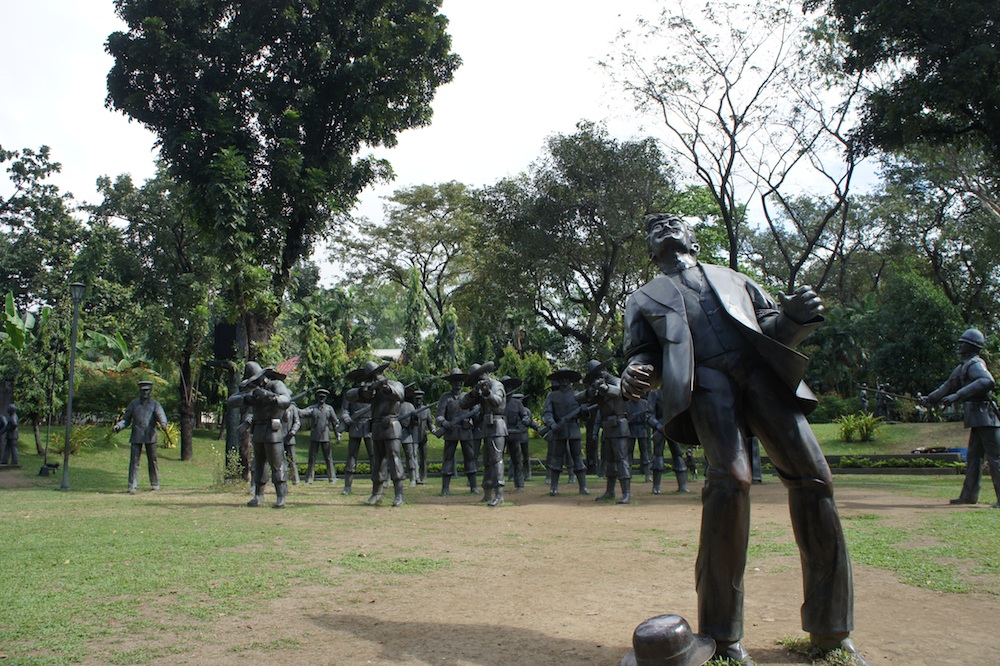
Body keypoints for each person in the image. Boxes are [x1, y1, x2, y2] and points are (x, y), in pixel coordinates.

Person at [621, 213, 866, 665]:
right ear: (650, 250)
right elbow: (645, 355)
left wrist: (793, 319)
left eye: (673, 223)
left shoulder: (735, 278)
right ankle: (722, 636)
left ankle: (831, 630)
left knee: (815, 480)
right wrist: (637, 373)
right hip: (707, 385)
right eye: (654, 228)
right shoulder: (641, 299)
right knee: (730, 484)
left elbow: (772, 328)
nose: (664, 228)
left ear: (690, 236)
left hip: (762, 378)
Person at [921, 328, 1000, 507]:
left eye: (962, 342)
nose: (959, 345)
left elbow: (987, 381)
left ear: (971, 346)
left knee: (995, 457)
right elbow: (948, 386)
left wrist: (958, 395)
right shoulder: (963, 367)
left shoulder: (975, 364)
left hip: (986, 415)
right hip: (977, 417)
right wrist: (930, 399)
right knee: (974, 457)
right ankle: (969, 496)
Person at [227, 363, 292, 508]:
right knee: (259, 465)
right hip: (258, 430)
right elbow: (231, 401)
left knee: (277, 464)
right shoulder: (252, 390)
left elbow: (286, 400)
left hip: (273, 430)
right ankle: (258, 495)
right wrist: (247, 398)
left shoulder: (276, 385)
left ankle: (280, 496)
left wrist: (271, 397)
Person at [346, 361, 406, 506]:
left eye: (375, 375)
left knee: (394, 457)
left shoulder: (394, 384)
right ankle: (376, 493)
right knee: (378, 461)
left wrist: (384, 386)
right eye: (371, 377)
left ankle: (399, 494)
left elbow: (400, 395)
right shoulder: (372, 391)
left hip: (391, 425)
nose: (374, 378)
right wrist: (362, 391)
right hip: (377, 427)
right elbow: (349, 395)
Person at [576, 360, 632, 504]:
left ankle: (626, 493)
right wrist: (590, 391)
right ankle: (610, 491)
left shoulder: (617, 381)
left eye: (597, 374)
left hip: (619, 425)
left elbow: (620, 392)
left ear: (603, 371)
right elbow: (578, 397)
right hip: (607, 427)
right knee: (610, 461)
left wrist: (605, 388)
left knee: (621, 460)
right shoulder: (598, 388)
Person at [460, 362, 507, 506]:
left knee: (496, 460)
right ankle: (487, 492)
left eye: (480, 378)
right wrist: (474, 393)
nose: (479, 381)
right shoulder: (480, 389)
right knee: (487, 461)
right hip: (486, 428)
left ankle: (499, 494)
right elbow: (463, 404)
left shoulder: (496, 385)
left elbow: (498, 402)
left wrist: (488, 393)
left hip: (497, 426)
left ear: (486, 374)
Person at [541, 368, 590, 496]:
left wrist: (584, 411)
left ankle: (583, 487)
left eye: (566, 379)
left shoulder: (577, 395)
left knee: (578, 458)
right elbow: (547, 412)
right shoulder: (552, 396)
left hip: (573, 429)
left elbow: (585, 417)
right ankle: (554, 487)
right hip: (559, 430)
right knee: (556, 459)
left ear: (570, 381)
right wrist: (551, 423)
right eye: (561, 379)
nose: (564, 382)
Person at [114, 381, 168, 494]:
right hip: (136, 436)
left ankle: (155, 483)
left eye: (147, 390)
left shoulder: (155, 404)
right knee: (134, 461)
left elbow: (161, 415)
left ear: (150, 391)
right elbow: (126, 420)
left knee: (153, 461)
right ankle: (132, 485)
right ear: (140, 390)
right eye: (143, 390)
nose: (145, 392)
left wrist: (163, 423)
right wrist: (119, 426)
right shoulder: (134, 404)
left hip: (150, 436)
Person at [436, 368, 479, 496]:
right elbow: (439, 416)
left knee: (470, 458)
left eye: (460, 381)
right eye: (455, 381)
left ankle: (474, 487)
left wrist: (471, 422)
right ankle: (445, 488)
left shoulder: (468, 396)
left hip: (466, 431)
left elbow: (476, 415)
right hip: (450, 432)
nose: (458, 384)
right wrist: (444, 423)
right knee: (448, 459)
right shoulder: (445, 397)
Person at [645, 389, 690, 494]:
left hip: (674, 427)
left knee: (678, 454)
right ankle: (656, 487)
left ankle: (682, 485)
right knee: (658, 456)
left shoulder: (677, 393)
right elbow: (648, 416)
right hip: (660, 428)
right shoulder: (655, 393)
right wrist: (659, 426)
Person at [339, 370, 374, 495]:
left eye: (363, 380)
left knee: (374, 456)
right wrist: (346, 417)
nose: (362, 383)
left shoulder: (372, 393)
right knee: (352, 456)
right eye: (359, 380)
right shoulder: (350, 395)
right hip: (355, 426)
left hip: (369, 426)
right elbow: (344, 410)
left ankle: (377, 484)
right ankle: (347, 486)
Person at [300, 388, 340, 485]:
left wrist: (337, 434)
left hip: (325, 435)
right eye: (320, 397)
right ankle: (309, 479)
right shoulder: (312, 408)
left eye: (323, 397)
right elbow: (302, 413)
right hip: (315, 435)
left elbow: (335, 422)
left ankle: (332, 478)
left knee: (328, 458)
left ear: (326, 398)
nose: (321, 399)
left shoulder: (329, 409)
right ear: (317, 397)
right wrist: (292, 406)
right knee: (312, 458)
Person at [502, 376, 531, 492]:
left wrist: (524, 421)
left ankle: (519, 484)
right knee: (497, 460)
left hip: (514, 434)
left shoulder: (517, 403)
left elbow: (525, 416)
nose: (508, 389)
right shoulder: (497, 402)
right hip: (500, 434)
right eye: (505, 387)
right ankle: (496, 483)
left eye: (509, 387)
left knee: (517, 459)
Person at [405, 387, 434, 485]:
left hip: (423, 437)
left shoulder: (426, 410)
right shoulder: (410, 410)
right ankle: (416, 477)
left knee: (423, 459)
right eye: (416, 398)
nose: (418, 400)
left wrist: (433, 429)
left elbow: (430, 423)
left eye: (419, 398)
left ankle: (424, 477)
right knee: (414, 457)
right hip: (413, 437)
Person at [626, 395, 652, 481]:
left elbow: (648, 416)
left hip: (641, 428)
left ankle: (647, 475)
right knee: (629, 452)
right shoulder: (627, 404)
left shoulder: (644, 403)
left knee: (644, 452)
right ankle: (627, 473)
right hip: (631, 429)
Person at [281, 400, 302, 485]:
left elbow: (297, 422)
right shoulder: (278, 407)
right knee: (279, 460)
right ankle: (282, 479)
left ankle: (295, 480)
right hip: (279, 438)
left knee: (292, 460)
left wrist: (293, 431)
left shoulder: (293, 408)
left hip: (290, 438)